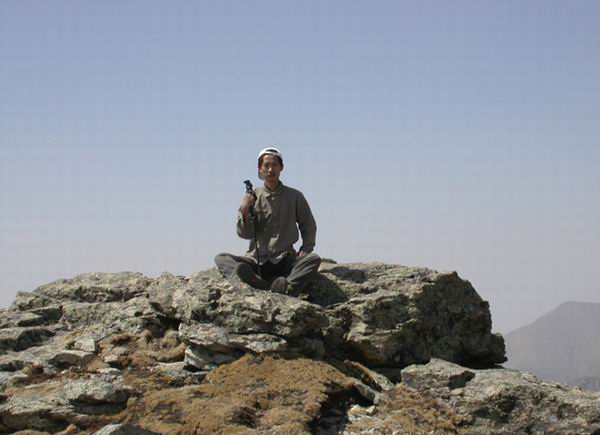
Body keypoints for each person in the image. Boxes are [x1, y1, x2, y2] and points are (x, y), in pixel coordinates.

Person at [214, 147, 321, 296]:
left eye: (275, 165)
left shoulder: (295, 196)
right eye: (266, 165)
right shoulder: (252, 197)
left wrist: (307, 248)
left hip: (285, 259)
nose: (271, 169)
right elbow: (244, 234)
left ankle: (286, 288)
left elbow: (308, 225)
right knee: (221, 258)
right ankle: (257, 283)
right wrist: (244, 208)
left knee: (313, 259)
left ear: (281, 167)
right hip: (257, 260)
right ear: (260, 168)